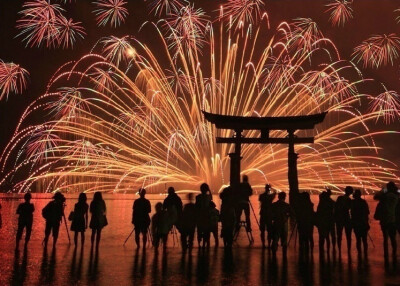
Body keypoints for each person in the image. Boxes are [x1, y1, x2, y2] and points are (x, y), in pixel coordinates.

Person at [374, 181, 398, 260]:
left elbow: (375, 197)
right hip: (393, 220)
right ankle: (394, 254)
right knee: (393, 238)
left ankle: (386, 255)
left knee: (385, 239)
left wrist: (383, 190)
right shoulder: (396, 196)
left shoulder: (385, 197)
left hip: (384, 220)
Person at [271, 192, 291, 257]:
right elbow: (292, 214)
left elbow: (270, 215)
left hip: (276, 223)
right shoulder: (287, 205)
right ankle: (284, 256)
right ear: (284, 197)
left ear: (278, 197)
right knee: (284, 240)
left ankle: (273, 256)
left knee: (275, 238)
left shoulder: (274, 205)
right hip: (284, 223)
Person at [316, 190, 335, 258]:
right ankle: (332, 249)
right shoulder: (330, 202)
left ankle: (322, 250)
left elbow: (318, 213)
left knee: (323, 236)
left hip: (323, 221)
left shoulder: (321, 204)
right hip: (330, 220)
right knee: (330, 236)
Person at [335, 186, 353, 255]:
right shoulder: (349, 200)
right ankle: (349, 250)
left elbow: (336, 207)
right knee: (348, 236)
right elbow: (351, 210)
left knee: (339, 235)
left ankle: (339, 250)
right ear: (350, 192)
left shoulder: (340, 198)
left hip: (339, 219)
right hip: (346, 218)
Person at [351, 189, 369, 258]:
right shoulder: (363, 202)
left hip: (356, 223)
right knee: (364, 239)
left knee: (358, 239)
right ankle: (365, 254)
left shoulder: (353, 202)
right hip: (363, 223)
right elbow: (367, 213)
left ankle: (359, 254)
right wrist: (366, 223)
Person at [296, 192, 315, 260]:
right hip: (309, 223)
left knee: (301, 237)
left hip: (302, 222)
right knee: (310, 237)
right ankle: (310, 253)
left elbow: (298, 214)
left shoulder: (300, 206)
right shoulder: (310, 205)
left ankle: (302, 253)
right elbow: (312, 214)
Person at [195, 183, 213, 248]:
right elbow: (211, 198)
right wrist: (209, 190)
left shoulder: (197, 197)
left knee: (199, 230)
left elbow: (196, 206)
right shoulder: (208, 197)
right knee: (207, 231)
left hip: (199, 216)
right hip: (206, 216)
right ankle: (206, 243)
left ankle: (199, 243)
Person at [259, 184, 275, 249]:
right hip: (269, 214)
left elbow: (260, 201)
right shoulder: (270, 196)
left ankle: (263, 244)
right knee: (269, 230)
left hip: (263, 214)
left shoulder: (261, 196)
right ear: (269, 189)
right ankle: (269, 244)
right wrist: (272, 188)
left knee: (262, 231)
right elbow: (275, 192)